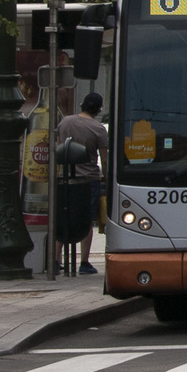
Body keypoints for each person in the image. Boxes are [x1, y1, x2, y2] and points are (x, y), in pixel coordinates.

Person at [55, 92, 109, 276]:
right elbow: (104, 157)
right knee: (86, 220)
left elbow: (58, 147)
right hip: (88, 180)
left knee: (63, 217)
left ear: (82, 105)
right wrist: (107, 178)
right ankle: (84, 262)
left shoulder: (65, 122)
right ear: (99, 109)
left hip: (65, 179)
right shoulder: (98, 128)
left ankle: (55, 260)